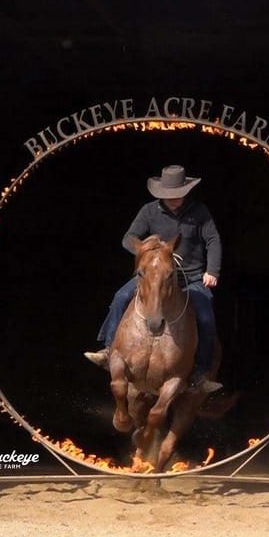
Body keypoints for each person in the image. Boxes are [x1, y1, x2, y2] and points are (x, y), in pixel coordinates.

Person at [84, 164, 222, 392]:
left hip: (191, 277)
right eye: (168, 197)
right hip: (153, 275)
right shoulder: (149, 211)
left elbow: (213, 240)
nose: (173, 200)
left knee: (206, 317)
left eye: (177, 196)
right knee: (120, 296)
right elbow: (128, 238)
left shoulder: (200, 212)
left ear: (186, 192)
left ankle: (200, 372)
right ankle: (109, 350)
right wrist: (149, 252)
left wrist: (212, 271)